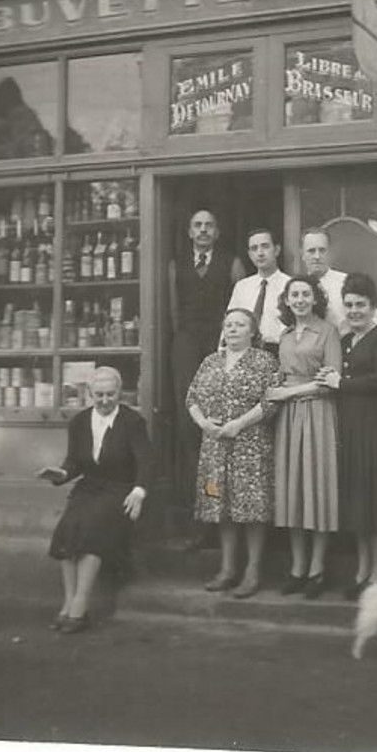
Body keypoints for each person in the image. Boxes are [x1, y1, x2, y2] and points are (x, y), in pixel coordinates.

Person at [316, 273, 377, 599]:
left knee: (376, 500)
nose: (354, 310)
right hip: (351, 427)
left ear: (373, 307)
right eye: (349, 305)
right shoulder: (343, 342)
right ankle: (361, 569)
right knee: (358, 500)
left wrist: (340, 383)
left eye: (361, 304)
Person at [39, 366, 153, 633]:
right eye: (99, 395)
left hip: (118, 489)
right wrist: (61, 473)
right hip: (88, 487)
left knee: (92, 530)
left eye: (110, 395)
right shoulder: (79, 422)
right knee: (66, 530)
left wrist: (139, 491)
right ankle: (67, 602)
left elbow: (146, 461)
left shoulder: (132, 422)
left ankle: (80, 605)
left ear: (120, 393)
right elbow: (75, 462)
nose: (104, 401)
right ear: (90, 393)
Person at [186, 308, 281, 598]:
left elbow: (271, 401)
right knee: (221, 505)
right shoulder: (210, 361)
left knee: (251, 508)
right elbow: (191, 397)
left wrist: (238, 424)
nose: (233, 330)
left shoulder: (264, 361)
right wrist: (204, 422)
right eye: (228, 325)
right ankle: (227, 569)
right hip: (215, 445)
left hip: (250, 444)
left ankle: (252, 571)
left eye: (240, 325)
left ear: (252, 331)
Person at [168, 208, 244, 536]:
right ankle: (200, 515)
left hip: (220, 345)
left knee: (219, 429)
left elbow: (240, 310)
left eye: (209, 225)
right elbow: (172, 312)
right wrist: (183, 342)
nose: (203, 230)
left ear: (217, 232)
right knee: (191, 429)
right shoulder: (176, 266)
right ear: (189, 232)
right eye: (197, 225)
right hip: (186, 345)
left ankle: (222, 515)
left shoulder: (232, 263)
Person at [266, 275, 341, 599]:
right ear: (287, 300)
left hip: (318, 413)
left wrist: (288, 393)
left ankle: (317, 569)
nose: (299, 300)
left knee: (318, 489)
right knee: (293, 490)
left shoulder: (328, 332)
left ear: (315, 299)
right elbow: (279, 377)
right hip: (289, 418)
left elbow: (329, 381)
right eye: (293, 294)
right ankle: (297, 568)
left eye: (305, 294)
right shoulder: (283, 335)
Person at [300, 227, 377, 335]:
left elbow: (375, 321)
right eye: (311, 251)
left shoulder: (347, 283)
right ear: (302, 254)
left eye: (322, 250)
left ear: (329, 252)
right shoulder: (297, 289)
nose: (317, 256)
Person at [226, 227, 291, 356]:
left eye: (265, 247)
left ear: (276, 250)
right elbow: (229, 322)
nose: (260, 253)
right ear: (250, 254)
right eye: (254, 249)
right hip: (244, 352)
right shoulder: (242, 287)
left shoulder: (290, 286)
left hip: (279, 351)